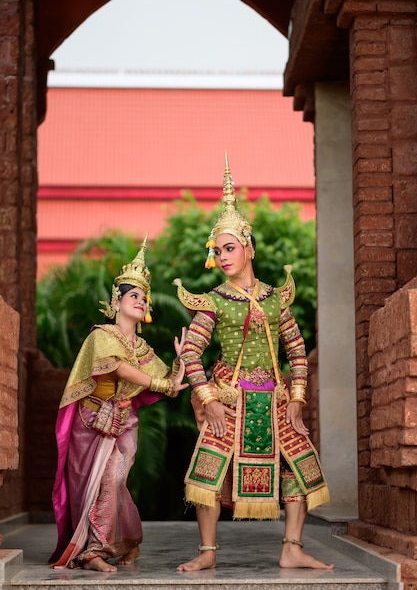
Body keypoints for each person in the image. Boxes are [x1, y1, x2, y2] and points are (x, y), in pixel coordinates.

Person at [174, 156, 334, 572]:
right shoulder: (213, 302)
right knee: (207, 472)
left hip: (277, 399)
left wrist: (298, 400)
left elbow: (297, 351)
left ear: (248, 247)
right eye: (217, 250)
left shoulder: (276, 298)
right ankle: (208, 554)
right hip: (230, 397)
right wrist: (207, 397)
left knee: (299, 468)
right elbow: (191, 351)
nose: (222, 256)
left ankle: (292, 547)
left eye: (229, 248)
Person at [49, 236, 188, 572]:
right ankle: (126, 542)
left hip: (125, 423)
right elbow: (118, 367)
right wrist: (161, 381)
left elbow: (166, 381)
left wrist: (179, 366)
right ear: (117, 300)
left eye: (144, 297)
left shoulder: (143, 348)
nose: (140, 301)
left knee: (113, 480)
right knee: (93, 483)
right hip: (92, 420)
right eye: (133, 295)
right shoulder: (102, 335)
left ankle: (96, 551)